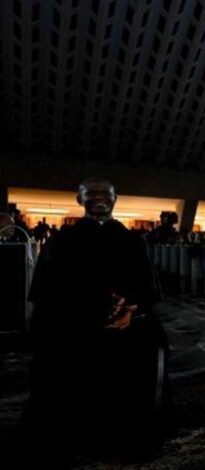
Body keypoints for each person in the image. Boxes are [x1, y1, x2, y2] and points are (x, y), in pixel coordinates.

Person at [19, 177, 171, 464]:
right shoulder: (62, 240)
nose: (100, 197)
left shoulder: (132, 240)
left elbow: (146, 286)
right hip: (74, 322)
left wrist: (131, 309)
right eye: (92, 193)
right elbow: (46, 291)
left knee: (151, 341)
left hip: (126, 320)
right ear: (80, 200)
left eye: (105, 193)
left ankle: (130, 434)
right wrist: (87, 311)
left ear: (115, 199)